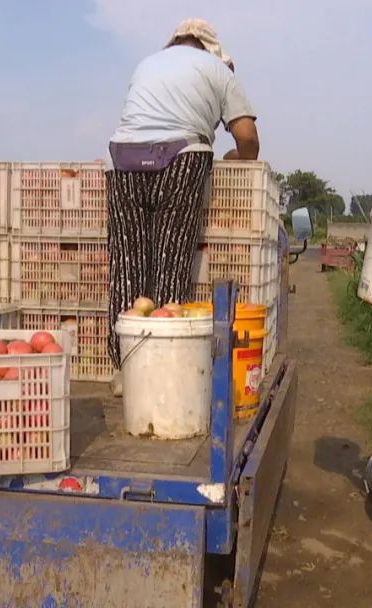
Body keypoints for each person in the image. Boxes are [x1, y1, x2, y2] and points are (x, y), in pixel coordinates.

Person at [106, 18, 260, 395]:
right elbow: (247, 137)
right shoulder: (218, 71)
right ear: (211, 49)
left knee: (127, 264)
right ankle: (160, 371)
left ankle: (125, 370)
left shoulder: (147, 63)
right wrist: (238, 157)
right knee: (171, 260)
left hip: (125, 157)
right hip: (182, 157)